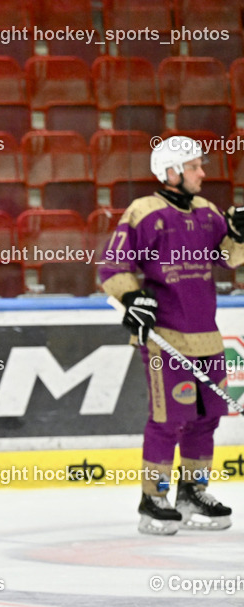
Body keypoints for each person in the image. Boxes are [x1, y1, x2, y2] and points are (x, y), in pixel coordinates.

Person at [99, 135, 241, 535]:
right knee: (168, 419)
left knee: (207, 417)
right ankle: (155, 497)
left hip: (206, 338)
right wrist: (133, 298)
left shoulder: (208, 212)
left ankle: (192, 493)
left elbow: (227, 258)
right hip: (166, 337)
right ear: (171, 171)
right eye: (195, 166)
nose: (203, 173)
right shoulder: (144, 211)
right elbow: (113, 267)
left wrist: (240, 236)